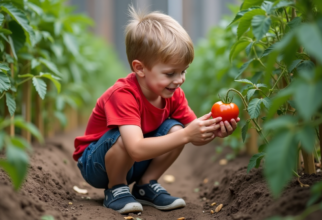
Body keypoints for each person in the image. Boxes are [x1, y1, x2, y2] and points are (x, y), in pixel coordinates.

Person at [73, 6, 240, 214]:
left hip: (135, 161)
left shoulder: (173, 93)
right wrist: (188, 134)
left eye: (183, 71)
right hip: (97, 165)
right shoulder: (123, 94)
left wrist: (213, 130)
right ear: (140, 68)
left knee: (177, 131)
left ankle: (145, 185)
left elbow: (192, 135)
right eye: (170, 73)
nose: (179, 80)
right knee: (127, 138)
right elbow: (135, 148)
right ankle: (116, 188)